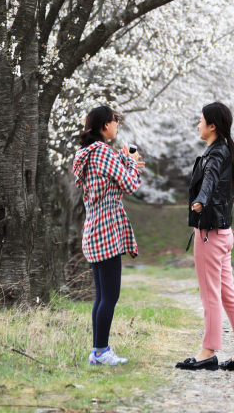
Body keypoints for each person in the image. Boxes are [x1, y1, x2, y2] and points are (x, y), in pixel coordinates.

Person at [176, 101, 234, 372]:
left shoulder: (215, 154)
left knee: (211, 295)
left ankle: (207, 353)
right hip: (225, 234)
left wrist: (202, 200)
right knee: (228, 293)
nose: (197, 125)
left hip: (209, 236)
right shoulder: (226, 150)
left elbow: (209, 180)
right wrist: (216, 202)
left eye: (200, 120)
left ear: (212, 125)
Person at [72, 105, 144, 366]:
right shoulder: (102, 152)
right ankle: (101, 351)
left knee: (102, 296)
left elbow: (113, 175)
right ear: (105, 125)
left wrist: (127, 161)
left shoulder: (88, 153)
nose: (117, 126)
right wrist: (134, 165)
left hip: (94, 229)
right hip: (107, 231)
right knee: (110, 296)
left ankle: (98, 351)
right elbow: (129, 184)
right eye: (114, 121)